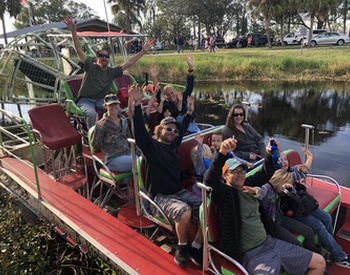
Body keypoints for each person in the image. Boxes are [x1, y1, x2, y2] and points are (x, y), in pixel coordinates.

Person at [203, 138, 326, 274]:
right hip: (253, 254)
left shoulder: (248, 184)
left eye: (242, 171)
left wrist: (269, 153)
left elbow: (266, 173)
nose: (240, 175)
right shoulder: (224, 194)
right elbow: (210, 181)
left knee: (319, 263)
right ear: (225, 175)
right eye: (235, 172)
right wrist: (222, 154)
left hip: (271, 243)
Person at [129, 85, 203, 268]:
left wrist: (189, 112)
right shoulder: (151, 147)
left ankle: (196, 246)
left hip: (178, 192)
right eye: (168, 129)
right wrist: (137, 104)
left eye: (175, 131)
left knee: (207, 207)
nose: (172, 132)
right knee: (184, 211)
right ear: (159, 130)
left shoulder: (173, 145)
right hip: (161, 197)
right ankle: (182, 246)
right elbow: (139, 132)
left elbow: (184, 125)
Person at [63, 16, 155, 129]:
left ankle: (121, 132)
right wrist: (73, 31)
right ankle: (94, 139)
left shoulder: (112, 72)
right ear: (96, 59)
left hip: (101, 100)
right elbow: (79, 51)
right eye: (101, 56)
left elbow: (129, 62)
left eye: (106, 56)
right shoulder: (91, 67)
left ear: (109, 59)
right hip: (86, 100)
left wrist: (143, 51)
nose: (104, 58)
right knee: (92, 114)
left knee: (121, 111)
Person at [281, 148, 350, 268]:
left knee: (327, 217)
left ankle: (328, 246)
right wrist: (304, 166)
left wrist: (308, 160)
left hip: (301, 205)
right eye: (280, 160)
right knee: (318, 225)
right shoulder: (278, 174)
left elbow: (299, 169)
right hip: (292, 210)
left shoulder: (288, 170)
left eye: (285, 159)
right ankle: (339, 256)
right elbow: (297, 173)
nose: (284, 162)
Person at [244, 169, 321, 253]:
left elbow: (295, 199)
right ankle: (306, 260)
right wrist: (254, 191)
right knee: (296, 244)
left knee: (309, 231)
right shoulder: (268, 187)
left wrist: (291, 190)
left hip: (279, 216)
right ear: (280, 181)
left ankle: (314, 254)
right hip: (272, 224)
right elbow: (261, 191)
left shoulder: (279, 190)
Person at [92, 94, 132, 172]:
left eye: (115, 104)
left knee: (148, 158)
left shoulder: (124, 120)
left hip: (127, 153)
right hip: (112, 158)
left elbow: (129, 138)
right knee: (140, 164)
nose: (114, 107)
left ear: (119, 104)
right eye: (111, 105)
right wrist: (98, 130)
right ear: (105, 106)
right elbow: (95, 146)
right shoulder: (102, 124)